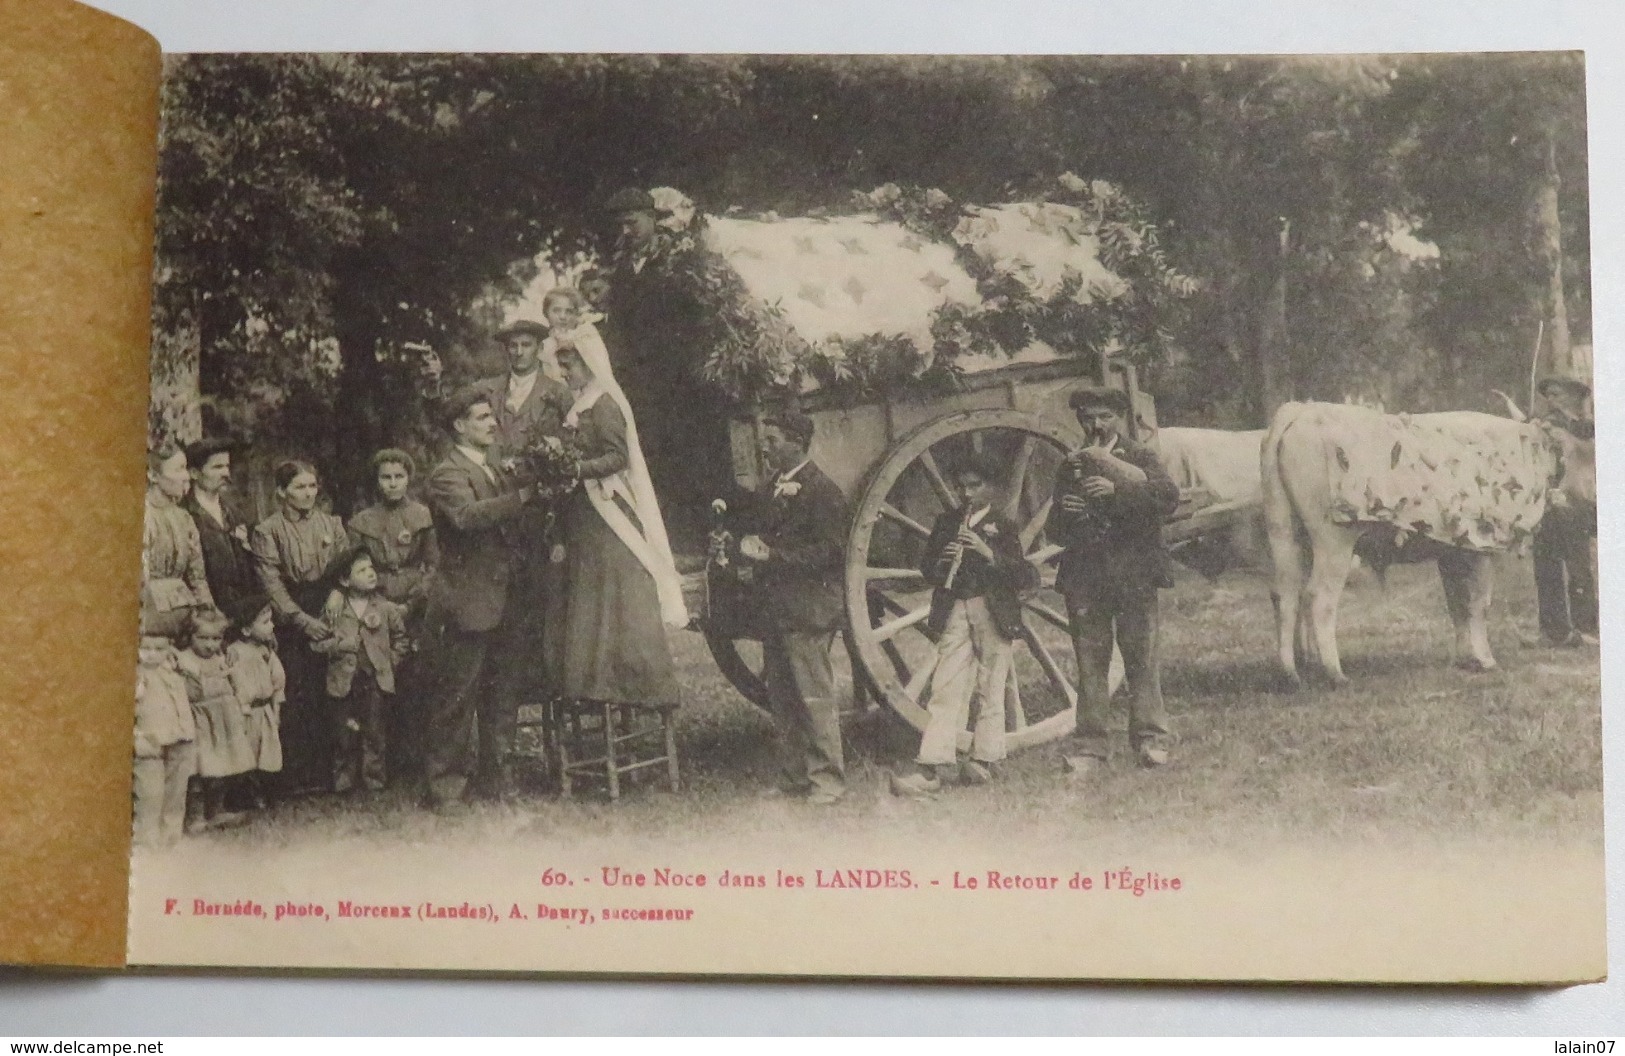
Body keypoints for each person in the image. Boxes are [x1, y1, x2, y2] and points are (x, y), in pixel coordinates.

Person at [543, 338, 686, 723]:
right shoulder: (578, 407)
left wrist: (576, 470)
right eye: (561, 364)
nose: (564, 372)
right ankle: (595, 686)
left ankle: (627, 685)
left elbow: (617, 456)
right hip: (584, 519)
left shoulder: (604, 402)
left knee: (612, 598)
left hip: (607, 515)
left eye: (569, 363)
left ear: (589, 363)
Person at [1045, 386, 1180, 774]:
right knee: (1090, 664)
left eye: (1104, 416)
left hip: (1134, 574)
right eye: (1088, 417)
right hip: (1086, 577)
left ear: (1119, 417)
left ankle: (1151, 740)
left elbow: (1167, 500)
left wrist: (1117, 491)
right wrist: (1068, 512)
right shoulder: (1072, 464)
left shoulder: (1140, 456)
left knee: (1141, 659)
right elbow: (1054, 530)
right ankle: (1090, 746)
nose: (1096, 425)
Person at [419, 387, 540, 808]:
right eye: (482, 417)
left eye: (492, 416)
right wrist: (520, 497)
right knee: (457, 698)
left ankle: (494, 779)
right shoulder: (446, 474)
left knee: (503, 694)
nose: (492, 423)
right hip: (466, 601)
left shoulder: (494, 468)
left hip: (506, 598)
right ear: (459, 426)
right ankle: (444, 788)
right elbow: (467, 518)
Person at [890, 454, 1030, 800]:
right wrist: (942, 561)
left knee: (991, 685)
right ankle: (933, 765)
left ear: (991, 488)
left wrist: (986, 552)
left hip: (992, 610)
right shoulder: (947, 522)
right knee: (946, 685)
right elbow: (928, 571)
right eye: (961, 487)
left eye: (975, 486)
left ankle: (985, 759)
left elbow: (1024, 574)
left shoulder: (1003, 524)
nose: (967, 494)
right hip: (955, 608)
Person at [738, 411, 849, 805]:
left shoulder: (823, 491)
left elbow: (832, 553)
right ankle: (793, 777)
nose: (765, 448)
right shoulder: (773, 489)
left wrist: (774, 556)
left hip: (808, 608)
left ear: (797, 443)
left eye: (772, 441)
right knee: (783, 698)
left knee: (814, 697)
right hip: (778, 609)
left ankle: (828, 781)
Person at [251, 459, 350, 796]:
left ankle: (329, 772)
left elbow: (344, 564)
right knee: (295, 692)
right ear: (281, 492)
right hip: (291, 618)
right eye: (299, 487)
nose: (308, 493)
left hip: (330, 609)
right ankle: (292, 777)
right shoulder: (268, 531)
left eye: (312, 486)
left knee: (330, 688)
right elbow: (272, 584)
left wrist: (339, 591)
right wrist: (301, 620)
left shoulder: (331, 524)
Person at [346, 448, 438, 783]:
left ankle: (417, 762)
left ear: (409, 479)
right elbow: (355, 567)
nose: (393, 483)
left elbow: (433, 565)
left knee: (418, 681)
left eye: (399, 477)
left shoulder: (422, 516)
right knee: (380, 686)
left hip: (417, 605)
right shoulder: (361, 522)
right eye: (386, 477)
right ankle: (381, 765)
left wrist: (413, 602)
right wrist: (381, 606)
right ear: (377, 481)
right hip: (376, 606)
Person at [312, 549, 410, 793]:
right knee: (343, 732)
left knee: (375, 731)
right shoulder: (334, 609)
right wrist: (342, 645)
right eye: (362, 570)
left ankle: (374, 781)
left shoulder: (385, 608)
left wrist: (389, 664)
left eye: (371, 569)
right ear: (345, 580)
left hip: (374, 681)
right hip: (344, 681)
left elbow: (402, 639)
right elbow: (316, 643)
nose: (370, 574)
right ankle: (343, 782)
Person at [1533, 375, 1598, 647]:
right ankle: (1554, 631)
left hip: (1576, 503)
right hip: (1548, 504)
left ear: (1573, 397)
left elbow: (1589, 450)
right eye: (1548, 395)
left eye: (1558, 394)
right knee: (1545, 565)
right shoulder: (1543, 425)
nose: (1551, 400)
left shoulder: (1587, 428)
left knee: (1578, 565)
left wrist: (1569, 436)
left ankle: (1586, 628)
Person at [177, 607, 254, 831]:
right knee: (198, 768)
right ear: (189, 635)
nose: (210, 644)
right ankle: (195, 816)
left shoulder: (223, 659)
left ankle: (217, 811)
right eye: (202, 638)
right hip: (199, 720)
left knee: (222, 765)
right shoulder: (183, 660)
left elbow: (238, 685)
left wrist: (243, 707)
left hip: (224, 719)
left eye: (216, 638)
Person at [142, 442, 214, 642]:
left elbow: (197, 576)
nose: (186, 476)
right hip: (150, 621)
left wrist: (208, 614)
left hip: (185, 618)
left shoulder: (184, 519)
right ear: (153, 475)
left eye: (186, 468)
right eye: (178, 469)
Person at [183, 437, 258, 622]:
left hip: (241, 614)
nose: (226, 473)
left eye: (226, 466)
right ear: (194, 473)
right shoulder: (185, 514)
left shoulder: (236, 513)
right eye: (217, 467)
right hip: (206, 618)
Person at [132, 634, 196, 848]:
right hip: (150, 740)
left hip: (178, 735)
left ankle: (171, 838)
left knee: (176, 792)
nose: (152, 654)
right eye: (145, 648)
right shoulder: (137, 674)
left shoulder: (173, 668)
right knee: (150, 793)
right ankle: (147, 839)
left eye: (159, 649)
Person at [476, 319, 572, 461]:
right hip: (493, 477)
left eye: (526, 345)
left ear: (539, 349)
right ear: (506, 350)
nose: (519, 352)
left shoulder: (559, 392)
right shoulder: (486, 389)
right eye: (513, 346)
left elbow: (573, 442)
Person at [226, 595, 284, 810]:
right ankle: (243, 796)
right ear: (246, 630)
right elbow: (233, 682)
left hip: (264, 710)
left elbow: (278, 680)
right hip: (245, 712)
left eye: (271, 620)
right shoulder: (234, 652)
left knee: (267, 752)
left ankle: (264, 793)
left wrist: (276, 708)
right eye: (265, 622)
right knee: (246, 752)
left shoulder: (266, 651)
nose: (272, 626)